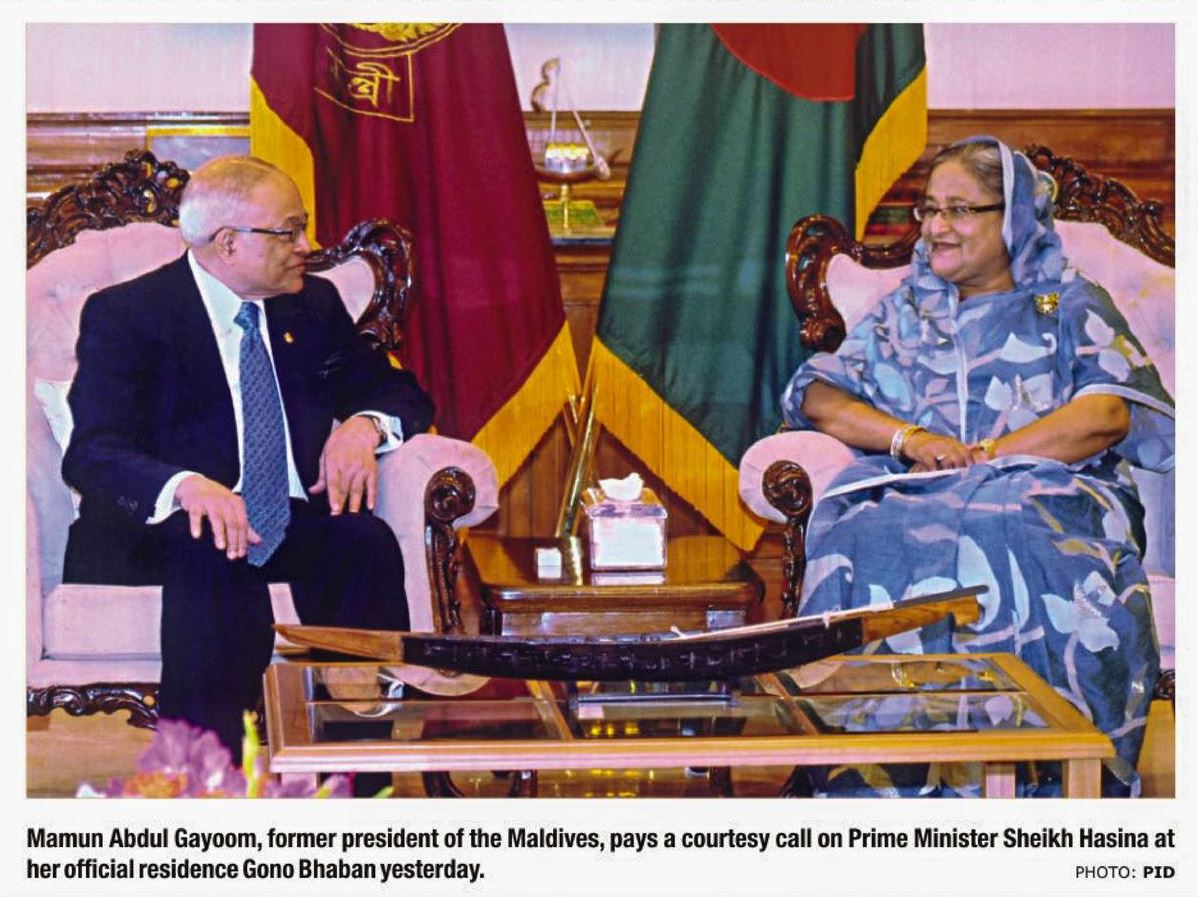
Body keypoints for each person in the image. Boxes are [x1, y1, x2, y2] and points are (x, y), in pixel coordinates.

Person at [780, 136, 1174, 796]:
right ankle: (879, 791)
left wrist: (989, 458)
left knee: (1007, 523)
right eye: (929, 209)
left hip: (1054, 488)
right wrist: (908, 438)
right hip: (920, 486)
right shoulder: (908, 311)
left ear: (1011, 216)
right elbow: (817, 393)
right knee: (861, 530)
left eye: (959, 209)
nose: (937, 227)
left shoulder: (1066, 302)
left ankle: (1045, 787)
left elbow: (1108, 413)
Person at [62, 155, 434, 759]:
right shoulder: (129, 314)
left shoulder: (310, 306)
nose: (307, 247)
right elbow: (93, 452)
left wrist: (363, 426)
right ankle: (212, 773)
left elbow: (398, 391)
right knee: (214, 547)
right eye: (289, 232)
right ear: (228, 242)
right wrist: (186, 486)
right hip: (162, 530)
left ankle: (355, 773)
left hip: (284, 518)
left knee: (363, 541)